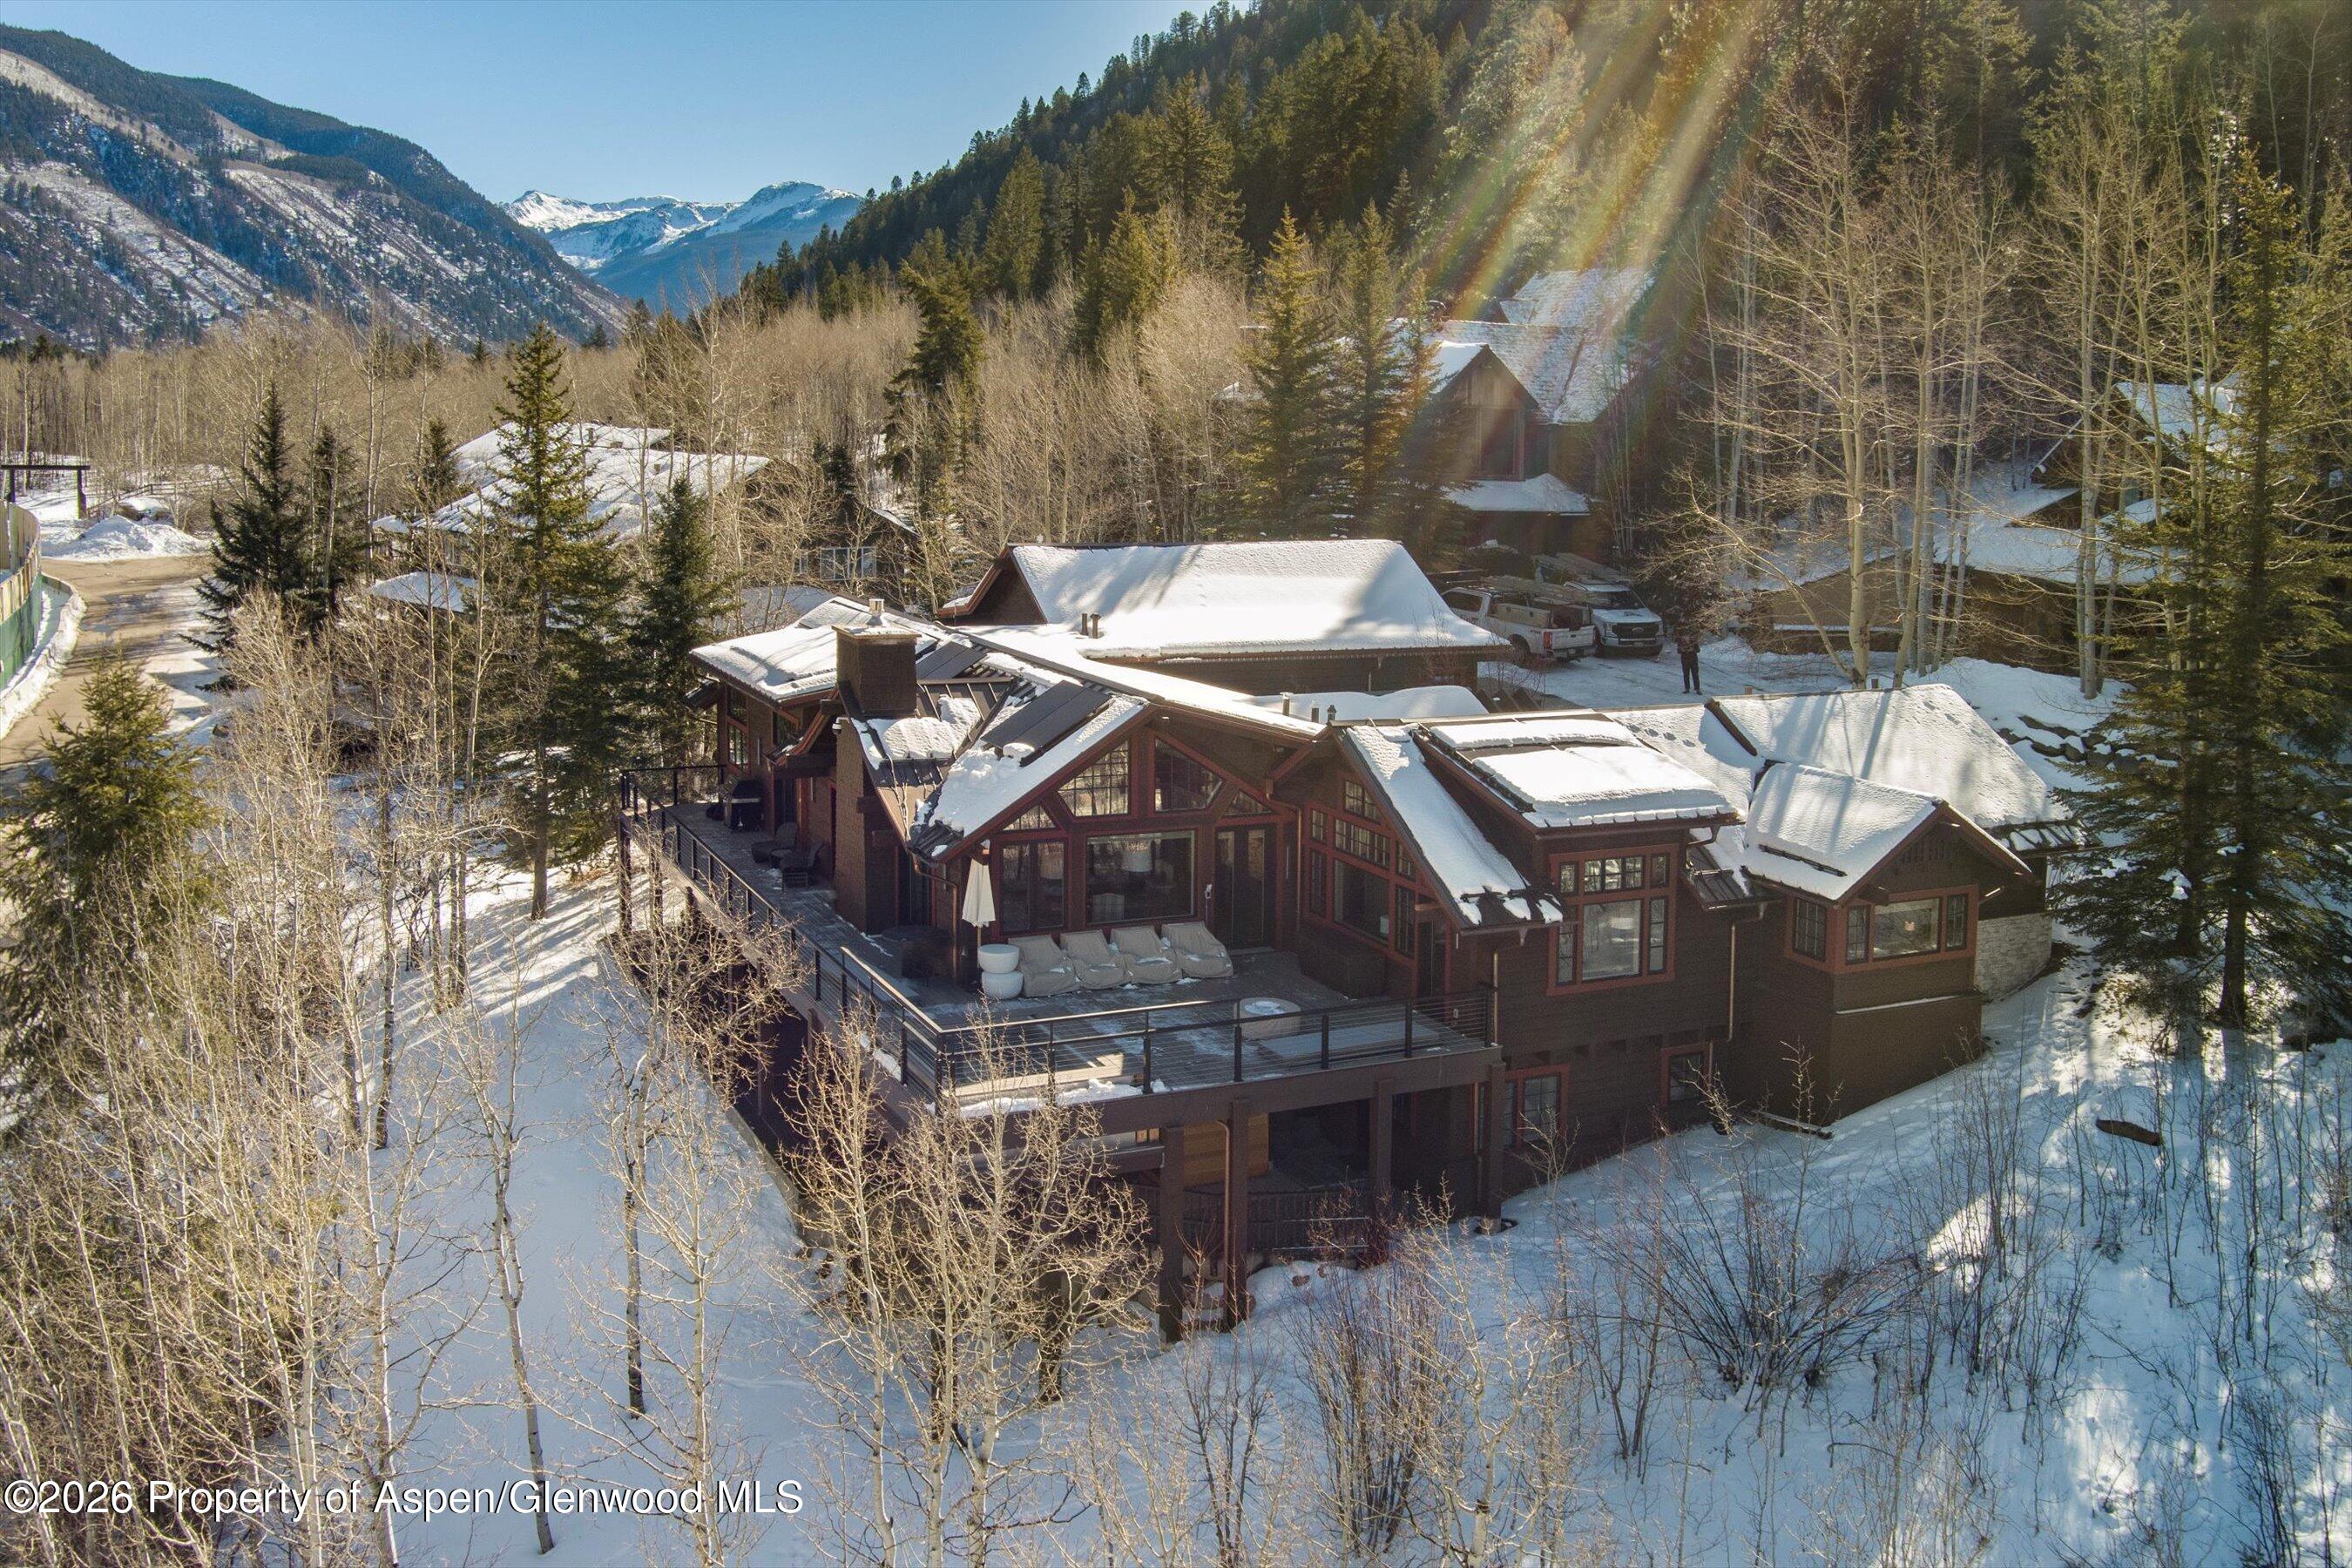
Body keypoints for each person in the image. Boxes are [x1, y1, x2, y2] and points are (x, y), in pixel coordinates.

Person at [1676, 627, 1703, 694]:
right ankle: (1687, 688)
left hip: (1693, 659)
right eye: (1684, 636)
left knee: (1695, 675)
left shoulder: (1693, 642)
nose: (1686, 638)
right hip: (1685, 660)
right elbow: (1678, 651)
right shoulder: (1680, 642)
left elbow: (1698, 650)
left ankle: (1697, 689)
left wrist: (1692, 650)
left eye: (1687, 636)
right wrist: (1682, 650)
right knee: (1686, 675)